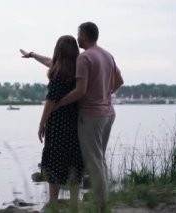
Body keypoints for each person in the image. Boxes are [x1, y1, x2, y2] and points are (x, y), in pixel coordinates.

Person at [21, 22, 124, 212]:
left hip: (76, 119)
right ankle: (83, 202)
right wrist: (34, 55)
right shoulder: (99, 57)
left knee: (67, 160)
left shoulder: (79, 62)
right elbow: (120, 80)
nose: (78, 37)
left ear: (84, 34)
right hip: (94, 116)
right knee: (85, 160)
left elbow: (63, 96)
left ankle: (96, 205)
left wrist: (46, 118)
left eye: (79, 33)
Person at [21, 35, 84, 210]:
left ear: (59, 50)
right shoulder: (79, 70)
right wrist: (33, 55)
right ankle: (73, 204)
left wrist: (42, 123)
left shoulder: (58, 73)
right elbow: (49, 61)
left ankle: (54, 202)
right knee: (74, 159)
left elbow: (51, 100)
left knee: (55, 158)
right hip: (75, 121)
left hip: (58, 122)